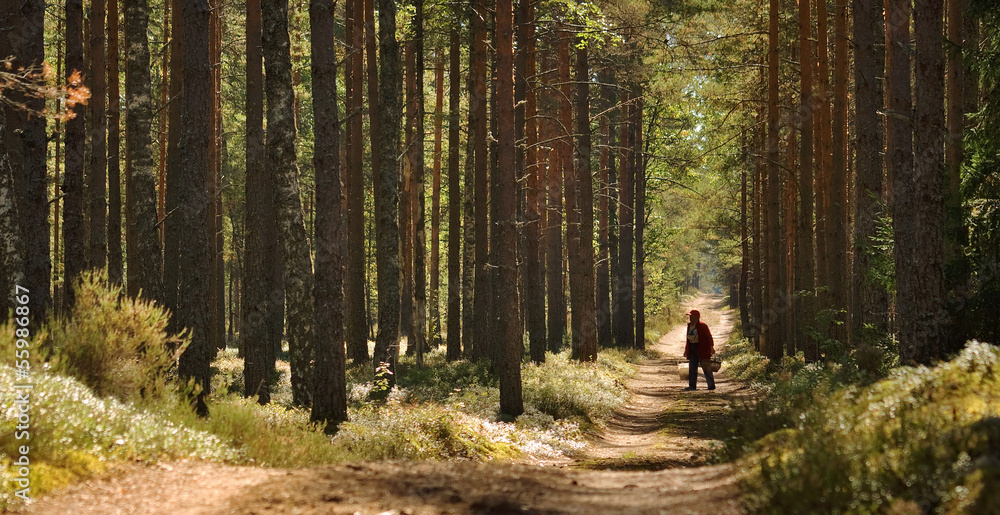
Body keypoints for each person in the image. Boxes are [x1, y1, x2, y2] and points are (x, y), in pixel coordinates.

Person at [682, 309, 715, 391]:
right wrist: (687, 349)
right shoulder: (689, 325)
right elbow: (688, 339)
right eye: (689, 316)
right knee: (692, 367)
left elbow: (709, 337)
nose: (690, 318)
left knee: (706, 367)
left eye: (691, 316)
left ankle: (711, 385)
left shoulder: (703, 326)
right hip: (693, 347)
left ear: (696, 317)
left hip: (702, 348)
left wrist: (711, 348)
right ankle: (692, 386)